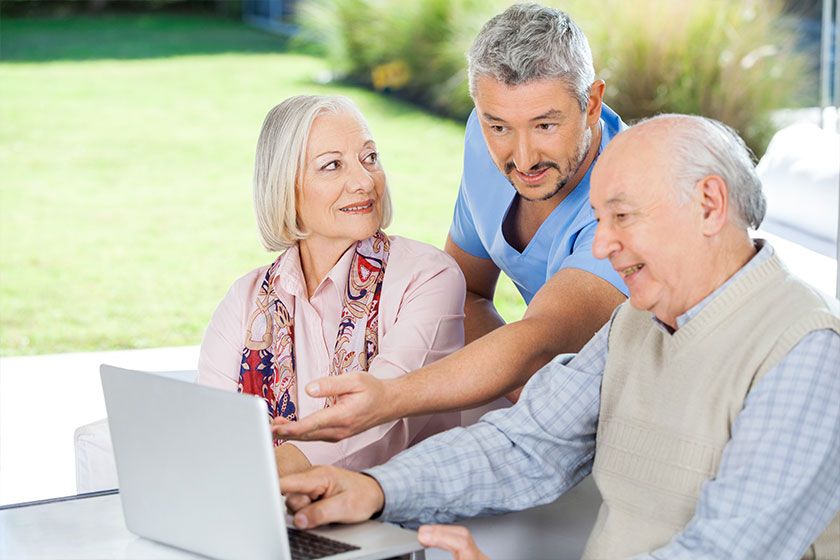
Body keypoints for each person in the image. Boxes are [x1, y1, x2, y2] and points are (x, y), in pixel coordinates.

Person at [276, 115, 840, 559]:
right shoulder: (638, 322)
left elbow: (724, 553)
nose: (601, 246)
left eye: (622, 217)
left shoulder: (805, 350)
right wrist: (375, 490)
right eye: (598, 220)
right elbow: (529, 443)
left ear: (710, 206)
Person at [271, 3, 628, 445]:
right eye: (499, 125)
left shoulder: (629, 194)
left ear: (591, 103)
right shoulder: (482, 138)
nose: (523, 157)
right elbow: (465, 291)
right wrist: (515, 382)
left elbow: (541, 341)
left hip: (637, 415)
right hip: (554, 399)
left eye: (545, 124)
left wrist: (391, 397)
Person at [197, 95, 464, 477]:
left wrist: (256, 476)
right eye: (332, 166)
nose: (364, 181)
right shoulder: (244, 301)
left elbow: (381, 423)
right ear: (285, 187)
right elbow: (213, 430)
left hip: (399, 518)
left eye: (369, 158)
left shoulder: (428, 277)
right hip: (271, 514)